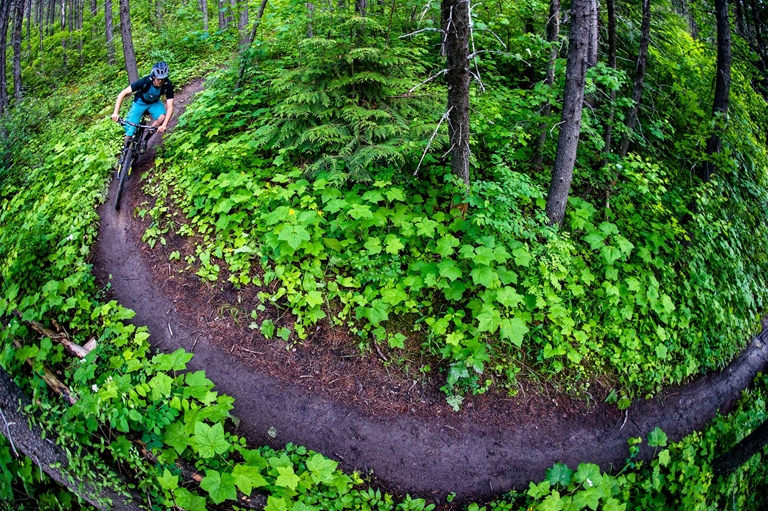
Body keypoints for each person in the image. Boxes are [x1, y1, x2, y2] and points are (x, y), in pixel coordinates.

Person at [111, 61, 175, 154]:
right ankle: (125, 150)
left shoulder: (167, 85)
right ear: (153, 76)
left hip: (154, 103)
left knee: (162, 117)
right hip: (140, 102)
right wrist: (115, 113)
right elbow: (122, 93)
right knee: (130, 129)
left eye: (163, 78)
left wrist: (164, 125)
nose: (160, 81)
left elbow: (170, 107)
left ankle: (145, 140)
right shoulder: (145, 81)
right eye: (158, 79)